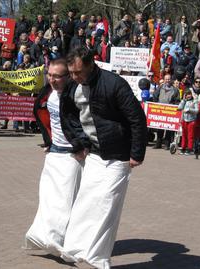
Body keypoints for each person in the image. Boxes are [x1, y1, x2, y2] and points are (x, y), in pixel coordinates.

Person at [59, 47, 147, 268]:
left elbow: (137, 119)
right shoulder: (72, 85)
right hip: (94, 154)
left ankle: (97, 258)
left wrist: (136, 154)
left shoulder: (114, 84)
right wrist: (79, 143)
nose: (75, 77)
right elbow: (68, 116)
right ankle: (74, 250)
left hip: (118, 156)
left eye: (78, 72)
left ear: (90, 64)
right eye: (71, 72)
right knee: (85, 203)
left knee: (107, 205)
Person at [24, 58, 82, 256]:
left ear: (69, 76)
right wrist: (48, 141)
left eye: (57, 76)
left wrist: (83, 146)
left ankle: (64, 243)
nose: (52, 79)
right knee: (48, 198)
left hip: (73, 156)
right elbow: (41, 115)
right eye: (49, 75)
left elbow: (88, 123)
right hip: (54, 153)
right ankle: (44, 237)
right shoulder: (46, 93)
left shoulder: (78, 94)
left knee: (65, 202)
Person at [153, 74, 181, 149]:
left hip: (169, 111)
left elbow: (177, 101)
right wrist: (156, 105)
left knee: (168, 129)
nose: (167, 80)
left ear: (171, 80)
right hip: (160, 111)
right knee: (159, 127)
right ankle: (158, 144)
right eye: (166, 79)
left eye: (169, 79)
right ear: (164, 80)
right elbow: (155, 96)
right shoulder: (160, 87)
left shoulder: (175, 90)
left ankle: (167, 144)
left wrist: (173, 106)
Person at [177, 90, 199, 155]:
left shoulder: (195, 101)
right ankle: (183, 148)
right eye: (186, 94)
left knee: (190, 135)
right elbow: (179, 108)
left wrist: (190, 110)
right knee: (184, 135)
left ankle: (190, 149)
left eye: (189, 94)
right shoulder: (184, 101)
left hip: (192, 120)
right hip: (184, 120)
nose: (188, 96)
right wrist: (183, 100)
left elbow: (197, 110)